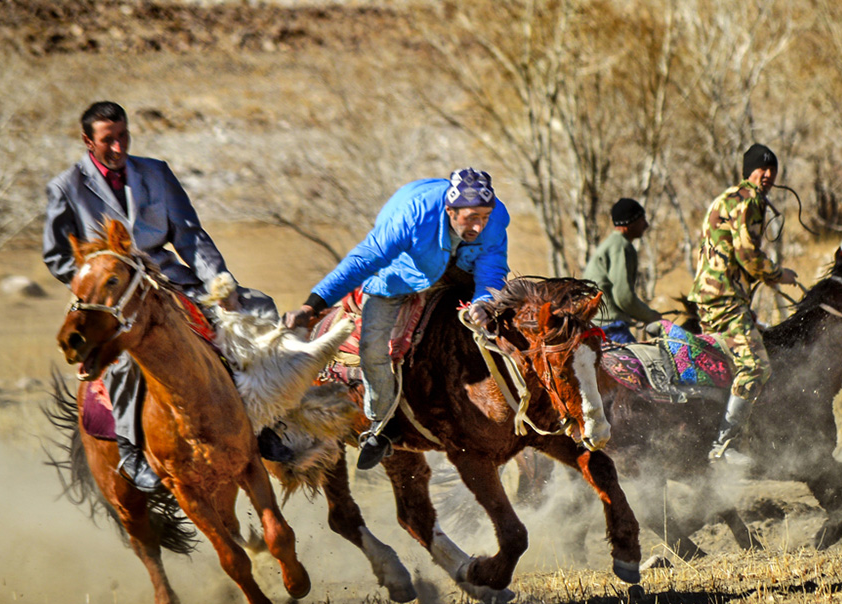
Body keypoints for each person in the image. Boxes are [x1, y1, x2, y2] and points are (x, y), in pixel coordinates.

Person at [43, 101, 293, 492]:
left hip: (168, 281)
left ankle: (269, 424)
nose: (119, 146)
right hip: (110, 297)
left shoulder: (155, 172)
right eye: (108, 140)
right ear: (88, 141)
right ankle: (132, 450)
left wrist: (220, 283)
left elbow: (189, 234)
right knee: (124, 354)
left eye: (123, 135)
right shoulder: (66, 187)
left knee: (259, 308)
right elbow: (57, 256)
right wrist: (94, 283)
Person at [284, 168, 509, 470]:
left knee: (505, 321)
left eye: (484, 217)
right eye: (471, 218)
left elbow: (493, 269)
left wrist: (483, 303)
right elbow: (364, 260)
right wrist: (312, 305)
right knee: (373, 347)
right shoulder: (412, 215)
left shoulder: (496, 218)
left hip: (460, 268)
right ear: (450, 210)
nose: (479, 226)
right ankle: (381, 423)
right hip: (400, 274)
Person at [687, 143, 798, 465]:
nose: (768, 174)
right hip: (724, 298)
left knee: (722, 367)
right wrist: (777, 274)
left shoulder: (725, 198)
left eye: (772, 169)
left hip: (709, 298)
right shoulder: (749, 200)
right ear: (749, 171)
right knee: (755, 367)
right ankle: (724, 446)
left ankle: (705, 436)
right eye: (762, 168)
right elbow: (747, 254)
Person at [583, 198, 661, 344]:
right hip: (610, 328)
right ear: (630, 223)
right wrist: (651, 316)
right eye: (642, 219)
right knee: (641, 358)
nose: (646, 225)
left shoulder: (611, 243)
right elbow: (623, 297)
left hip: (595, 326)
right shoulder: (621, 246)